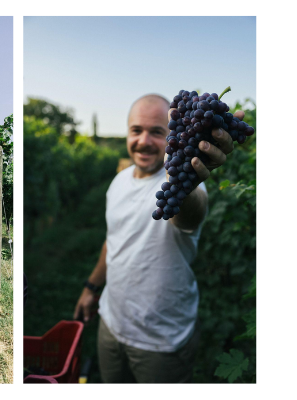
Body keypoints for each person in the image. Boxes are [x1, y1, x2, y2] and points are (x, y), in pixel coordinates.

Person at [72, 94, 244, 383]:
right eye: (136, 130)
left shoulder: (180, 183)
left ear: (173, 134)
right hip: (110, 324)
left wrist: (186, 184)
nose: (144, 141)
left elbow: (189, 214)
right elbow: (114, 241)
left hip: (163, 343)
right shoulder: (119, 181)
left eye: (156, 132)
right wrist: (91, 287)